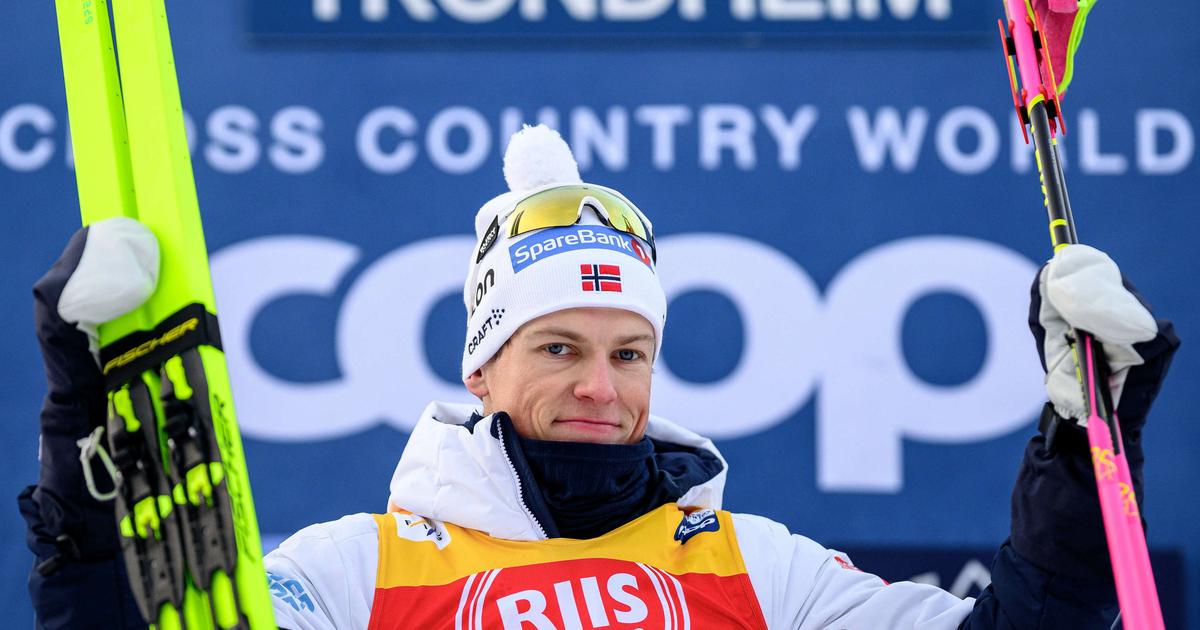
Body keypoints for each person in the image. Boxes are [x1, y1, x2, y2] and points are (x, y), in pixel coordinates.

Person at [22, 121, 1179, 629]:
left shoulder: (754, 568)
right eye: (558, 348)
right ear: (483, 367)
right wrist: (86, 424)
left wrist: (1082, 450)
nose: (601, 387)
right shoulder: (349, 572)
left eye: (629, 354)